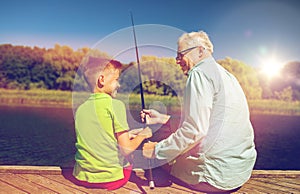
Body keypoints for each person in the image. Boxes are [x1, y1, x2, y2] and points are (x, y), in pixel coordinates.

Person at [141, 31, 257, 193]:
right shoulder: (227, 75)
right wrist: (163, 118)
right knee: (173, 149)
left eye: (180, 55)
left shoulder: (199, 73)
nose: (177, 61)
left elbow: (195, 131)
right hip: (239, 172)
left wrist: (156, 150)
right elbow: (212, 121)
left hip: (216, 178)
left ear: (200, 51)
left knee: (159, 162)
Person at [73, 56, 152, 190]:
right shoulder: (115, 105)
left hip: (81, 177)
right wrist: (144, 134)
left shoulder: (81, 108)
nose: (119, 84)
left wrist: (129, 134)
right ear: (102, 79)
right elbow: (126, 150)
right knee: (131, 156)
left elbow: (98, 137)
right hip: (111, 180)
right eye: (116, 80)